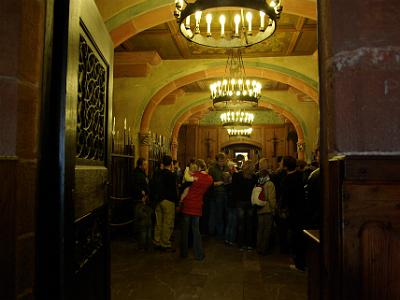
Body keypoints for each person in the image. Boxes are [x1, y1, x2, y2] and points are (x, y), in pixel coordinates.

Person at [179, 159, 213, 260]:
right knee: (196, 230)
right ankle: (199, 254)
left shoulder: (194, 176)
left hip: (188, 204)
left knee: (185, 230)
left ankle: (183, 253)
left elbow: (186, 186)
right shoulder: (210, 179)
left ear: (198, 167)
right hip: (198, 205)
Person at [153, 155, 179, 252]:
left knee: (158, 222)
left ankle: (157, 241)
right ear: (171, 163)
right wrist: (176, 202)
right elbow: (174, 190)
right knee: (167, 222)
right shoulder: (171, 175)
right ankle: (165, 243)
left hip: (158, 200)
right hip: (168, 201)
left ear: (163, 163)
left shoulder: (158, 173)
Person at [232, 160, 257, 251]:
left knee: (241, 224)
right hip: (250, 202)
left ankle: (240, 244)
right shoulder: (254, 177)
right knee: (250, 224)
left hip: (240, 202)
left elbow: (233, 189)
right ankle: (249, 244)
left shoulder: (237, 176)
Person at [255, 158, 276, 255]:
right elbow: (271, 198)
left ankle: (258, 247)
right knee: (267, 230)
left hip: (259, 208)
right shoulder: (269, 184)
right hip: (267, 210)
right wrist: (273, 209)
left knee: (260, 229)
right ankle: (264, 249)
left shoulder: (258, 182)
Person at [207, 152, 228, 238]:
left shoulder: (227, 168)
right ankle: (211, 231)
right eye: (220, 161)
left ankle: (220, 233)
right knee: (213, 213)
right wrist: (218, 183)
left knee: (221, 214)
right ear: (217, 161)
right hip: (214, 194)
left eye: (223, 161)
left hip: (224, 194)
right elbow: (209, 182)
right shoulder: (212, 169)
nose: (222, 163)